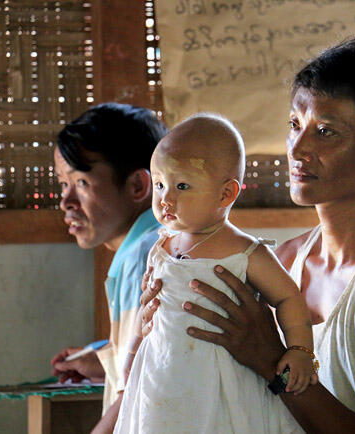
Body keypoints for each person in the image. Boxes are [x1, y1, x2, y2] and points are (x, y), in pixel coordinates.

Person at [141, 36, 355, 433]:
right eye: (296, 124)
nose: (297, 148)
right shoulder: (284, 260)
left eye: (326, 131)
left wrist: (272, 359)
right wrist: (164, 325)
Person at [115, 113, 315, 433]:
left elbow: (289, 297)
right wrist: (129, 361)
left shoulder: (245, 253)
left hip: (224, 383)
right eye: (160, 184)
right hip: (163, 377)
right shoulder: (161, 246)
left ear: (226, 195)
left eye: (182, 185)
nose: (166, 198)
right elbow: (149, 315)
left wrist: (301, 350)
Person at [49, 103, 167, 433]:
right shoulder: (158, 241)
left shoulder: (141, 257)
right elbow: (150, 352)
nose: (66, 201)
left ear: (137, 187)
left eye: (82, 183)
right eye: (63, 184)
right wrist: (101, 358)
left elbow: (138, 383)